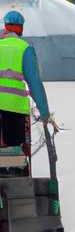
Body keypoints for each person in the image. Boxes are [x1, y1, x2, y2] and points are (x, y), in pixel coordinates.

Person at [0, 11, 50, 148]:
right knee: (14, 151)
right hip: (14, 109)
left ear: (6, 26)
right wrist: (44, 112)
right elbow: (35, 83)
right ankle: (12, 168)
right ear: (21, 28)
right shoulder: (25, 49)